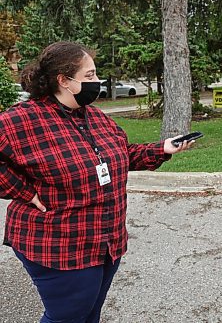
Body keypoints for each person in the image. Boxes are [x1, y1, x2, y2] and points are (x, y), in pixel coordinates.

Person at [0, 41, 194, 323]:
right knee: (67, 317)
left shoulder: (95, 117)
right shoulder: (22, 120)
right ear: (64, 81)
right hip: (59, 245)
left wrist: (163, 148)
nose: (97, 81)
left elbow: (122, 155)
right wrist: (23, 191)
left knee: (89, 315)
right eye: (89, 76)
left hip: (106, 241)